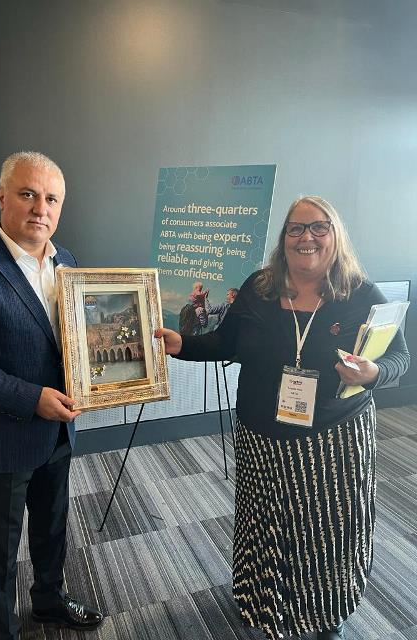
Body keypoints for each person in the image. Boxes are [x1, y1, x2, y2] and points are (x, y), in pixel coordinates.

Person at [156, 195, 410, 640]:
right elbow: (225, 343)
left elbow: (399, 357)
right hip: (261, 434)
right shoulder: (260, 287)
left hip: (334, 439)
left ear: (335, 235)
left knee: (327, 530)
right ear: (284, 237)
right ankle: (264, 604)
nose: (306, 237)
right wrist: (183, 346)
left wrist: (372, 373)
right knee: (266, 523)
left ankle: (326, 614)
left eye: (318, 227)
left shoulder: (359, 292)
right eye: (296, 228)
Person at [0, 152, 104, 639]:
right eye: (28, 194)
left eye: (52, 199)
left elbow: (74, 340)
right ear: (2, 196)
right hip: (0, 437)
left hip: (58, 431)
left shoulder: (67, 261)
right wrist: (32, 398)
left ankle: (49, 601)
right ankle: (1, 631)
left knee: (52, 528)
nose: (40, 208)